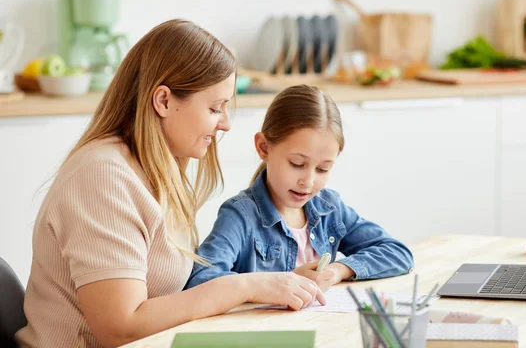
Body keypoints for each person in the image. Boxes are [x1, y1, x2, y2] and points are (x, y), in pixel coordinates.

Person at [15, 20, 324, 348]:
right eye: (214, 108)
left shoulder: (153, 171)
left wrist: (264, 284)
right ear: (163, 101)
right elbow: (121, 327)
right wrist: (245, 286)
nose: (226, 124)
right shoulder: (102, 177)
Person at [185, 84, 414, 293]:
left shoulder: (329, 209)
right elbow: (201, 280)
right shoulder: (241, 215)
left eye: (323, 169)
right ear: (264, 147)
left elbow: (397, 252)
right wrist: (273, 285)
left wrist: (338, 271)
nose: (308, 181)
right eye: (297, 164)